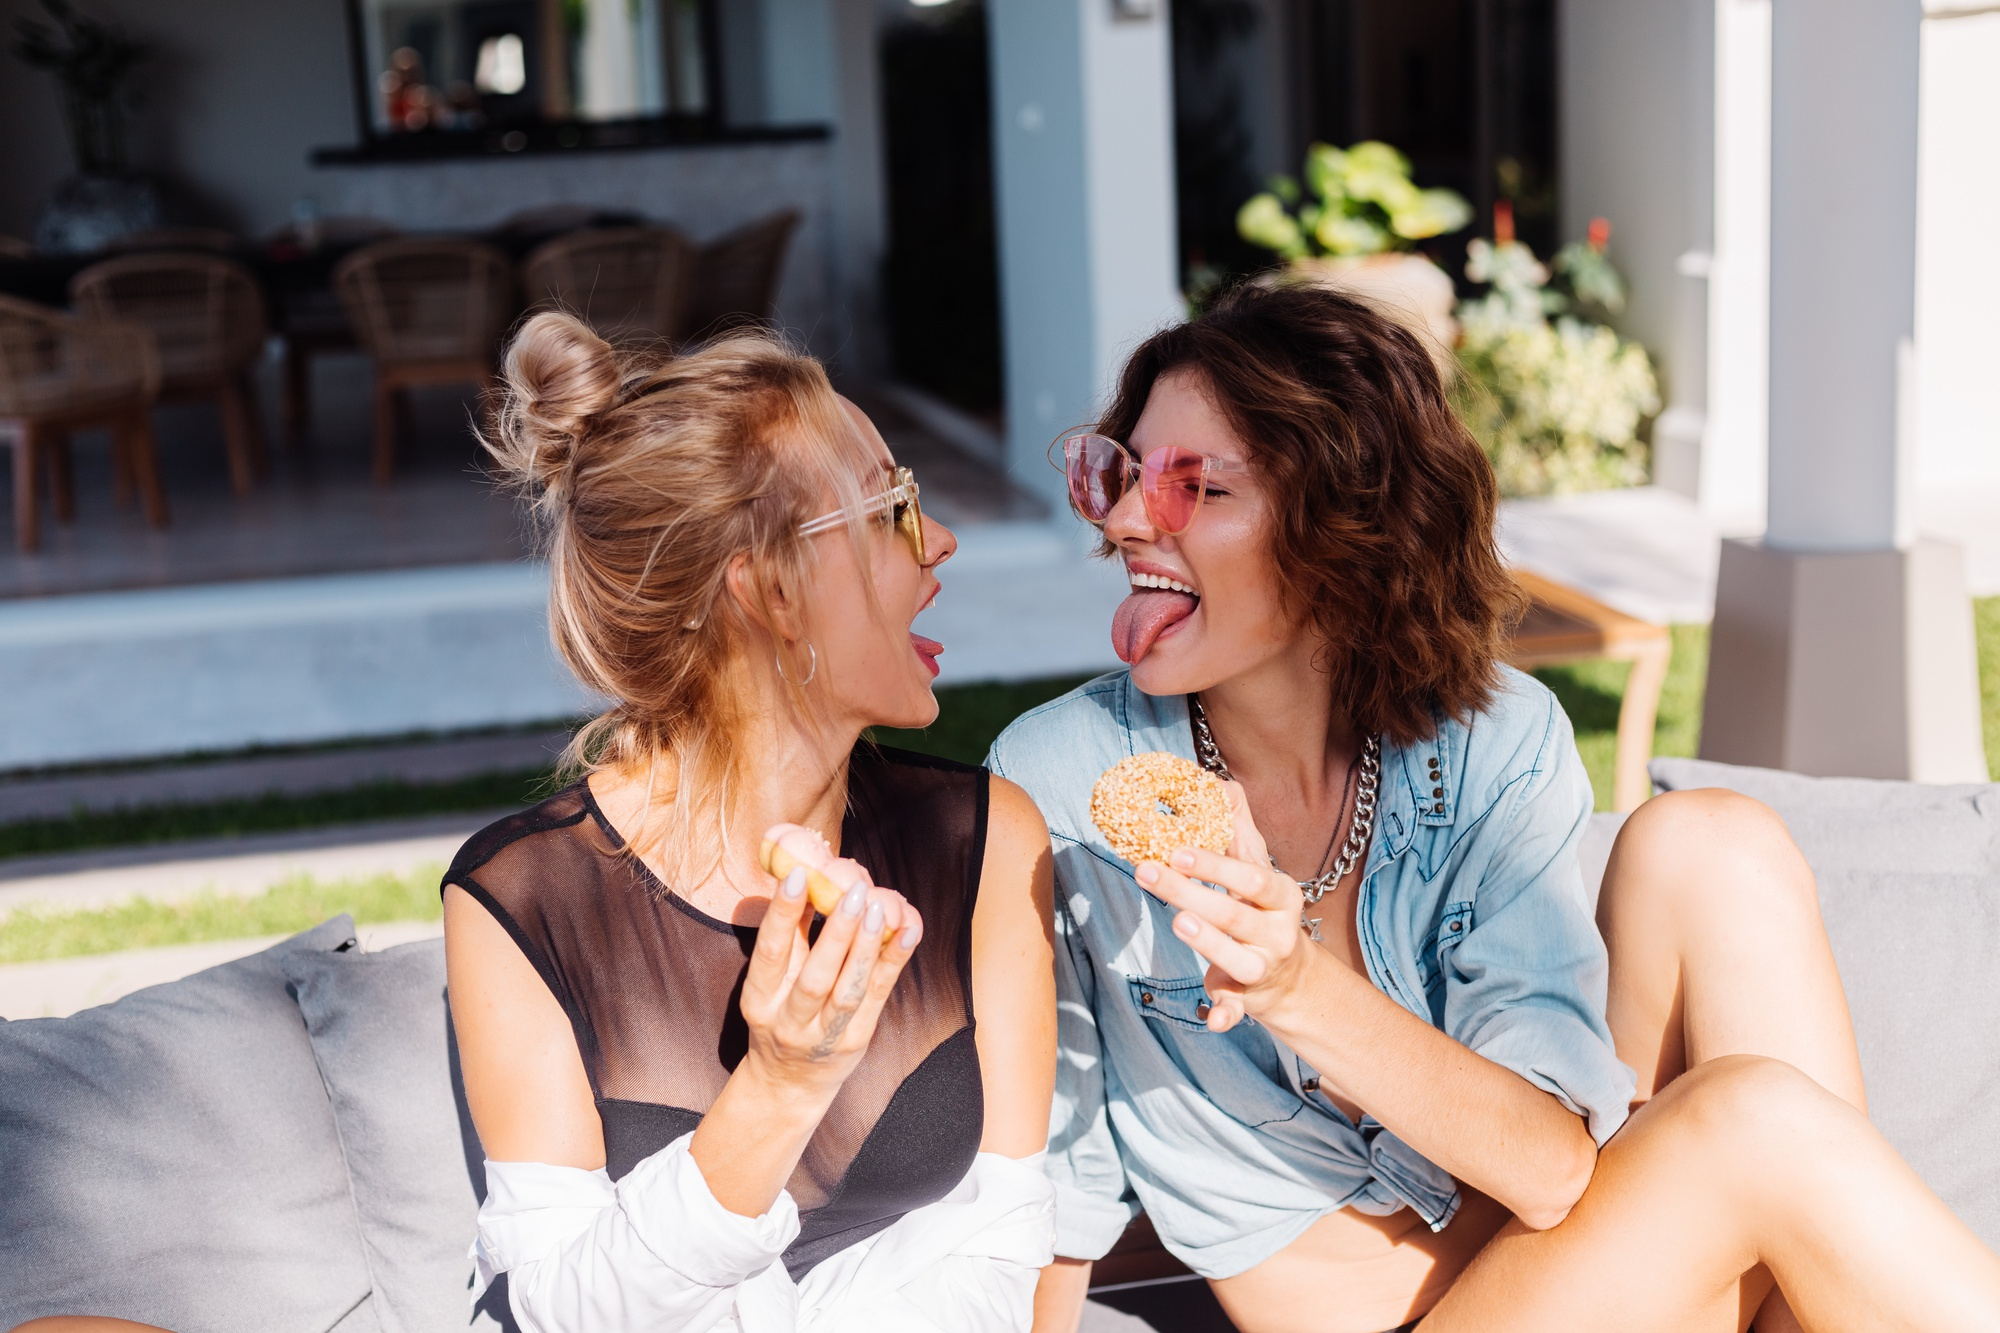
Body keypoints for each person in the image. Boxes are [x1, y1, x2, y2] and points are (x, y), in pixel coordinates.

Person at [987, 282, 2000, 1333]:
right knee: (1755, 1121)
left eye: (1189, 486)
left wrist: (1294, 985)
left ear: (1343, 530)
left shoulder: (1487, 741)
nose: (1121, 519)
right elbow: (1052, 1186)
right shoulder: (1061, 785)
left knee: (1711, 842)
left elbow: (1554, 1171)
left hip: (1588, 1275)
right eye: (1117, 474)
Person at [443, 314, 1058, 1332]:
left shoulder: (984, 838)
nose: (938, 539)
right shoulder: (524, 898)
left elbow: (1001, 1241)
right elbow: (563, 1313)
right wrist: (779, 1085)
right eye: (889, 508)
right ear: (768, 589)